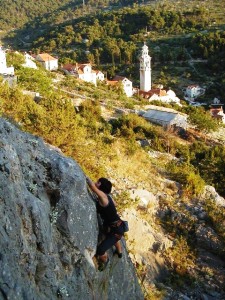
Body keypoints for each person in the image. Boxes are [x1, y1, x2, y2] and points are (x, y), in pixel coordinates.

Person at [86, 177, 124, 271]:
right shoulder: (107, 197)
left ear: (100, 185)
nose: (95, 183)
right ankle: (119, 253)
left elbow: (91, 186)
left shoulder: (103, 197)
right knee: (113, 236)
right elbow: (115, 204)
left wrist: (86, 177)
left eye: (97, 182)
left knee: (100, 250)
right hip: (115, 226)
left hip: (116, 229)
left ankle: (105, 260)